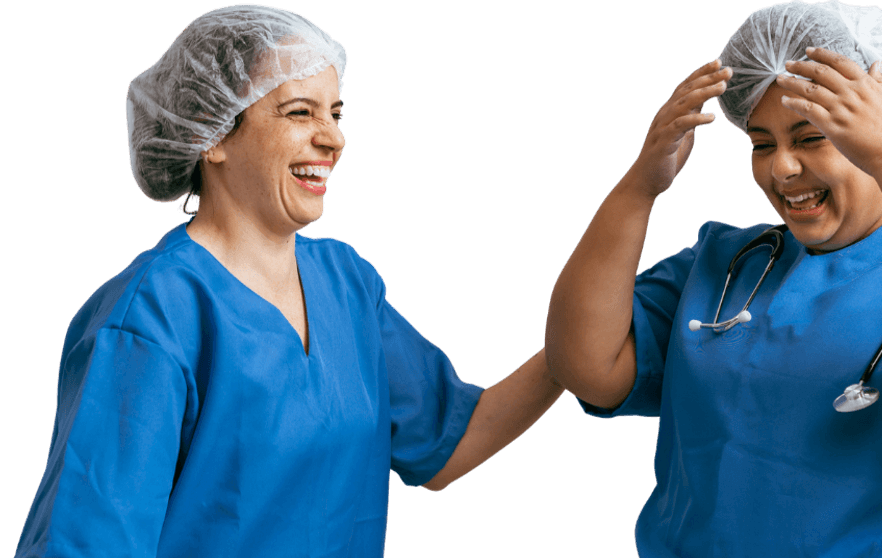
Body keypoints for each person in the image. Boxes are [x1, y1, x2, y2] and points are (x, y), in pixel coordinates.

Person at [544, 0, 882, 556]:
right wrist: (640, 187)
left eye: (811, 138)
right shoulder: (727, 264)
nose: (780, 167)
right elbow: (586, 366)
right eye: (762, 144)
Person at [15, 5, 561, 557]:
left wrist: (583, 337)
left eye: (337, 113)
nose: (334, 139)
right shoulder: (154, 314)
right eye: (300, 112)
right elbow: (88, 543)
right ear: (213, 135)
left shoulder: (346, 286)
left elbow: (448, 443)